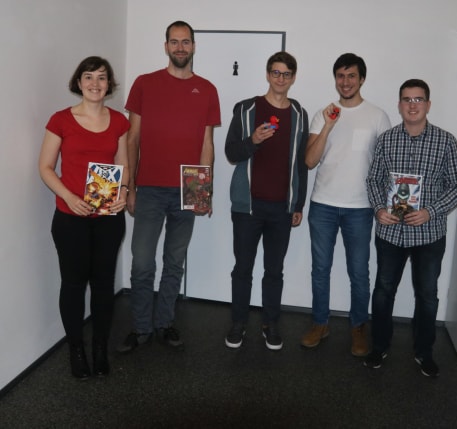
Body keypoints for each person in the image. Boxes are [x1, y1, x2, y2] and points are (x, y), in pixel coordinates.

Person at [117, 21, 220, 353]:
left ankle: (164, 323)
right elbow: (132, 138)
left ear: (193, 46)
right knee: (142, 263)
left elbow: (207, 143)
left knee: (174, 262)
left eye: (185, 42)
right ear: (166, 47)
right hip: (148, 187)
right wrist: (130, 186)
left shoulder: (207, 89)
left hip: (188, 186)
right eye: (174, 42)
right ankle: (141, 328)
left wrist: (203, 190)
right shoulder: (144, 84)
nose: (180, 47)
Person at [364, 79, 457, 377]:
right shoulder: (386, 140)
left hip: (428, 234)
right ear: (399, 104)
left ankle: (424, 352)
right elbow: (373, 180)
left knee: (427, 296)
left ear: (428, 104)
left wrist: (430, 211)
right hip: (390, 232)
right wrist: (379, 209)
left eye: (418, 99)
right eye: (407, 99)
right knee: (383, 292)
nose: (412, 105)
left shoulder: (446, 141)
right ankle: (379, 346)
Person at [39, 56, 130, 379]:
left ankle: (100, 349)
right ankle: (76, 350)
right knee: (74, 285)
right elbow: (45, 167)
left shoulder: (118, 121)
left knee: (103, 285)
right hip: (70, 218)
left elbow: (122, 163)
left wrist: (123, 191)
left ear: (109, 84)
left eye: (101, 77)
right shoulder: (61, 120)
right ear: (79, 83)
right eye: (88, 77)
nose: (95, 83)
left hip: (108, 217)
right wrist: (69, 197)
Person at [300, 53, 391, 356]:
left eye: (352, 76)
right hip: (323, 205)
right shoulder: (323, 114)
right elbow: (309, 161)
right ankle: (320, 323)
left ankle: (358, 327)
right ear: (335, 79)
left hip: (360, 207)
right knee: (320, 269)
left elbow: (386, 166)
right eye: (340, 76)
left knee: (359, 272)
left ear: (361, 79)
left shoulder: (377, 116)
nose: (346, 81)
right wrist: (328, 125)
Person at [224, 51, 308, 351]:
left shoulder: (299, 113)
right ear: (267, 74)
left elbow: (300, 163)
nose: (280, 78)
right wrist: (254, 141)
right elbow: (231, 152)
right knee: (242, 269)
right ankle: (238, 323)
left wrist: (298, 204)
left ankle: (270, 323)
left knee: (274, 271)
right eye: (276, 72)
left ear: (293, 77)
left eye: (286, 74)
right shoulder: (247, 109)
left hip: (281, 208)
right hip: (247, 206)